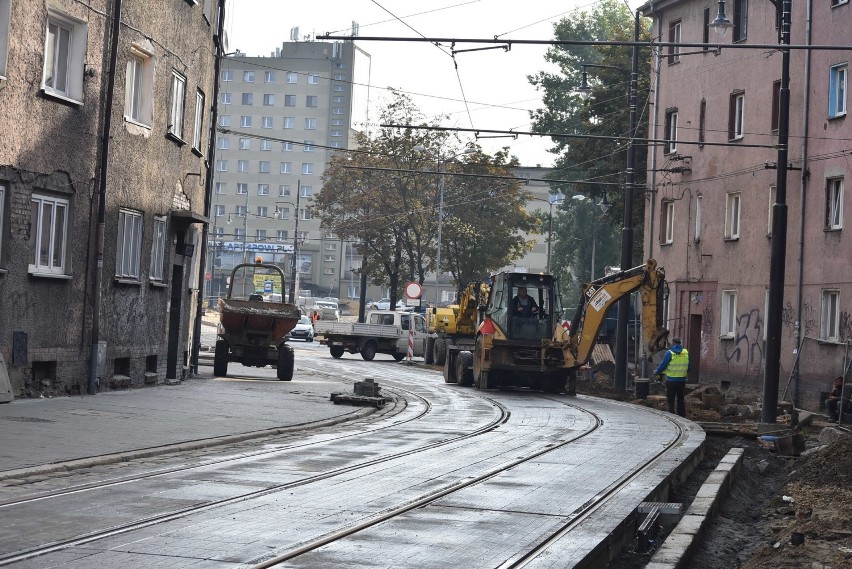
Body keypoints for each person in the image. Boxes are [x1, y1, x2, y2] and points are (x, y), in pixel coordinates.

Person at [654, 337, 690, 417]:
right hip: (682, 380)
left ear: (673, 343)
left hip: (671, 381)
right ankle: (682, 416)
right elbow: (689, 366)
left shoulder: (669, 353)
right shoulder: (686, 352)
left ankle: (672, 416)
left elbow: (663, 365)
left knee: (671, 400)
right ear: (680, 343)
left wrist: (657, 372)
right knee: (680, 399)